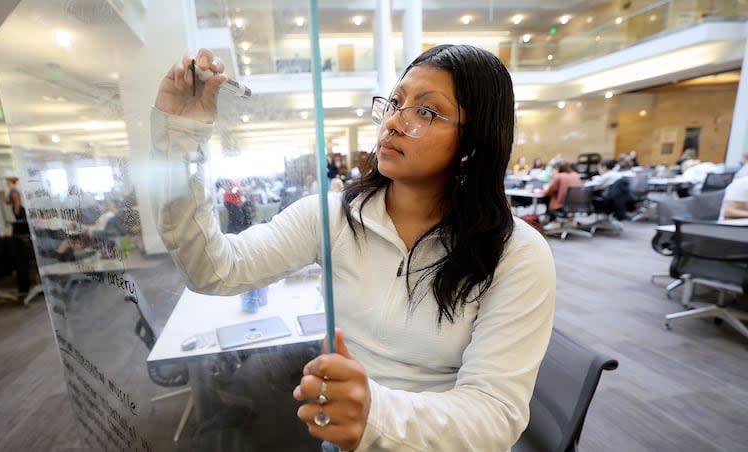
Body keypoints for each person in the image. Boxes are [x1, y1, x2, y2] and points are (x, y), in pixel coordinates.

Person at [152, 45, 555, 451]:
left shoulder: (516, 253)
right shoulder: (331, 218)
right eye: (395, 103)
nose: (395, 122)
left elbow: (494, 414)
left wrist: (371, 414)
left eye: (426, 112)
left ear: (473, 142)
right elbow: (212, 269)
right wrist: (182, 141)